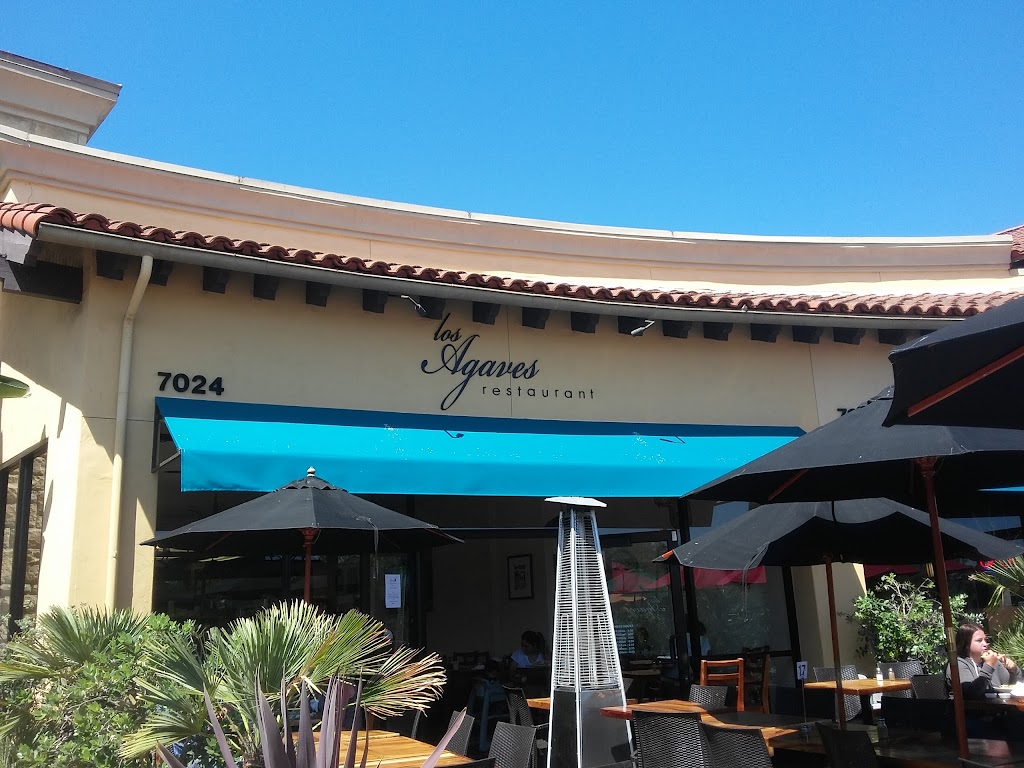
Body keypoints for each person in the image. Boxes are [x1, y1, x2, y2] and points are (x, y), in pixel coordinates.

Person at [946, 622, 1021, 700]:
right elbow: (971, 693)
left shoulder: (994, 662)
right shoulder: (958, 664)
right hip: (972, 707)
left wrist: (1014, 670)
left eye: (985, 640)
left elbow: (1012, 686)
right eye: (979, 640)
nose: (985, 644)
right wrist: (989, 666)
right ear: (966, 644)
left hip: (998, 705)